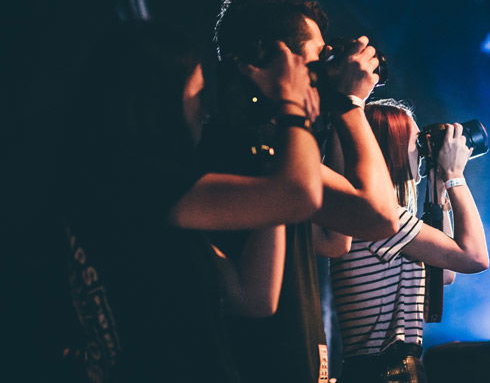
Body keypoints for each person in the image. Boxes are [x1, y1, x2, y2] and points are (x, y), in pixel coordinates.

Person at [62, 21, 323, 382]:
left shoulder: (132, 194)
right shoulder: (139, 183)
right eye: (198, 96)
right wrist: (293, 108)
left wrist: (273, 159)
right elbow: (299, 196)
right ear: (162, 101)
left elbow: (255, 298)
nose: (204, 111)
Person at [201, 0, 400, 383]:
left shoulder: (271, 147)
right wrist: (349, 105)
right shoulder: (253, 147)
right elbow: (379, 217)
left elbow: (335, 239)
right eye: (316, 59)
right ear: (274, 57)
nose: (323, 73)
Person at [330, 99, 489, 383]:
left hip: (381, 371)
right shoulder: (380, 220)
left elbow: (444, 275)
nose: (423, 149)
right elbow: (474, 258)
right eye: (416, 140)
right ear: (390, 147)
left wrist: (439, 189)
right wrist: (455, 177)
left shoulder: (380, 218)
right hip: (383, 372)